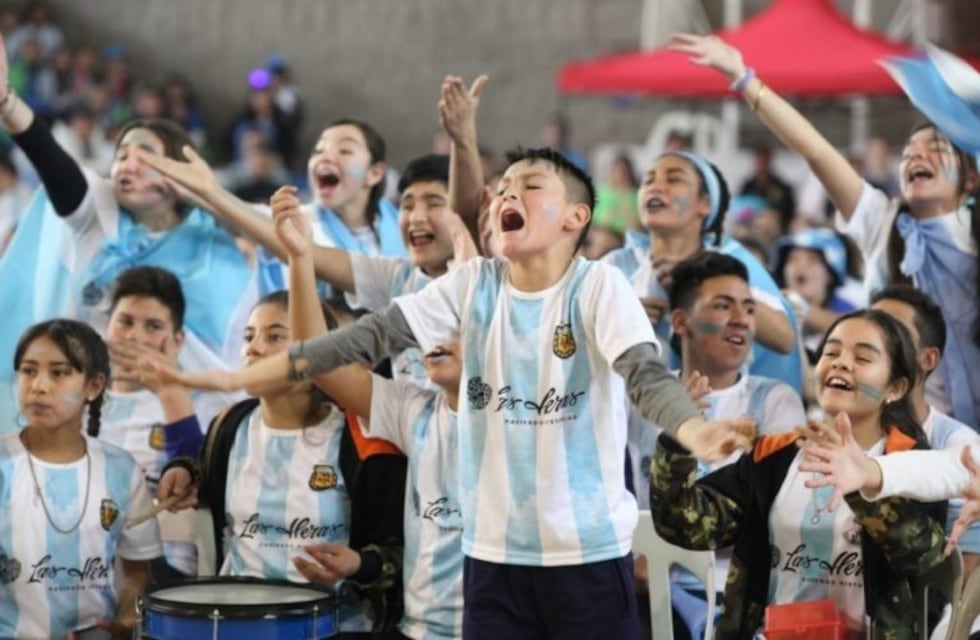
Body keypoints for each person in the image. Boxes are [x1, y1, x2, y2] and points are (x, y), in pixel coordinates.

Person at [148, 147, 756, 640]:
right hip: (490, 560)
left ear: (576, 217)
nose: (509, 193)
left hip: (587, 560)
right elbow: (369, 336)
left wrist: (694, 429)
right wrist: (236, 378)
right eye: (504, 186)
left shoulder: (597, 287)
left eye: (532, 184)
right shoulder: (473, 284)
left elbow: (644, 373)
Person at [671, 32, 980, 429]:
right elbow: (816, 151)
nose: (916, 156)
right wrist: (743, 78)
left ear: (971, 179)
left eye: (935, 148)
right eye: (908, 153)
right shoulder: (881, 223)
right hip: (899, 427)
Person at [0, 30, 257, 430]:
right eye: (122, 155)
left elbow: (284, 237)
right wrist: (6, 102)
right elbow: (53, 162)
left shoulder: (217, 242)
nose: (128, 164)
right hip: (95, 417)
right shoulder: (98, 214)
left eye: (146, 155)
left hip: (189, 418)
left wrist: (205, 192)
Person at [651, 309, 947, 636]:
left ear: (895, 387)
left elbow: (923, 558)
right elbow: (683, 525)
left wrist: (858, 486)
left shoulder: (911, 463)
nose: (840, 363)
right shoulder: (772, 457)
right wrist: (678, 442)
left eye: (862, 357)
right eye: (830, 352)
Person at [156, 290, 407, 637]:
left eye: (274, 337)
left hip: (333, 626)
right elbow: (206, 469)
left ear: (316, 353)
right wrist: (183, 472)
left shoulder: (360, 438)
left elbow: (398, 549)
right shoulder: (229, 425)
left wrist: (360, 564)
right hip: (235, 622)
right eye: (248, 336)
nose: (253, 349)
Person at [272, 197, 464, 639]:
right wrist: (301, 261)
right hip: (416, 629)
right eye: (427, 326)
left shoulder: (522, 419)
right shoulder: (414, 410)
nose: (433, 336)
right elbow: (319, 360)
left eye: (452, 323)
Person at [0, 319, 160, 638]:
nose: (39, 386)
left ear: (94, 386)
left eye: (59, 373)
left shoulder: (121, 470)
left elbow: (136, 573)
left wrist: (123, 624)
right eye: (29, 371)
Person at [601, 148, 804, 391]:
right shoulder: (615, 265)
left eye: (674, 179)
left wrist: (704, 283)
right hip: (629, 418)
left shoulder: (731, 262)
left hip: (719, 416)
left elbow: (784, 339)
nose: (656, 187)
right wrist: (622, 321)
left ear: (705, 204)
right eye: (648, 180)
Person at [773, 228, 858, 359]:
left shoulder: (848, 308)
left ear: (831, 273)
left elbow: (853, 327)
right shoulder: (773, 304)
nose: (800, 266)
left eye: (812, 260)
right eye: (792, 259)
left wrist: (803, 309)